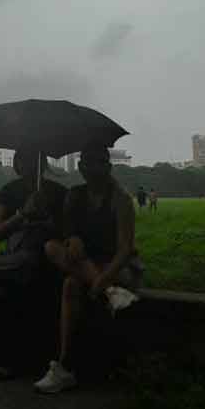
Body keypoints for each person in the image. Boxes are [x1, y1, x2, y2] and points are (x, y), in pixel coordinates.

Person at [34, 145, 143, 394]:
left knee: (72, 282)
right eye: (87, 163)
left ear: (107, 166)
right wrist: (72, 238)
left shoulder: (120, 200)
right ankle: (113, 295)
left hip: (117, 266)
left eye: (98, 163)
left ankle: (65, 365)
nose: (91, 169)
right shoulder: (75, 195)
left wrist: (103, 279)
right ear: (80, 166)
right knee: (53, 250)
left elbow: (125, 249)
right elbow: (66, 233)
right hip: (88, 264)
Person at [0, 150, 66, 379]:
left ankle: (9, 361)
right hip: (13, 259)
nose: (24, 165)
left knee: (24, 269)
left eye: (30, 160)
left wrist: (46, 218)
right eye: (20, 160)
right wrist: (22, 214)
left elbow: (68, 233)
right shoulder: (10, 192)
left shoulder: (58, 193)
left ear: (42, 164)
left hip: (41, 258)